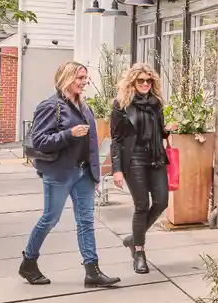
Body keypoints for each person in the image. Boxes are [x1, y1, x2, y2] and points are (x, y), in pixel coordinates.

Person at [19, 61, 121, 288]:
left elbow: (93, 143)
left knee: (86, 221)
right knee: (50, 218)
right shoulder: (51, 106)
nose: (84, 82)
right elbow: (39, 141)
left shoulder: (85, 107)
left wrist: (94, 174)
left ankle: (92, 271)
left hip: (84, 173)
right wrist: (69, 134)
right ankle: (28, 262)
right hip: (60, 172)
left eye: (85, 78)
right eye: (80, 78)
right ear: (66, 78)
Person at [110, 62, 170, 275]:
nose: (145, 84)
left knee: (162, 201)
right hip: (133, 159)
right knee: (142, 206)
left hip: (156, 158)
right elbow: (116, 138)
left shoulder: (156, 104)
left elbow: (157, 132)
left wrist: (166, 131)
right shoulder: (121, 104)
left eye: (148, 80)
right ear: (132, 82)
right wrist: (116, 169)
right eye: (141, 80)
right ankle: (139, 251)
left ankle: (133, 237)